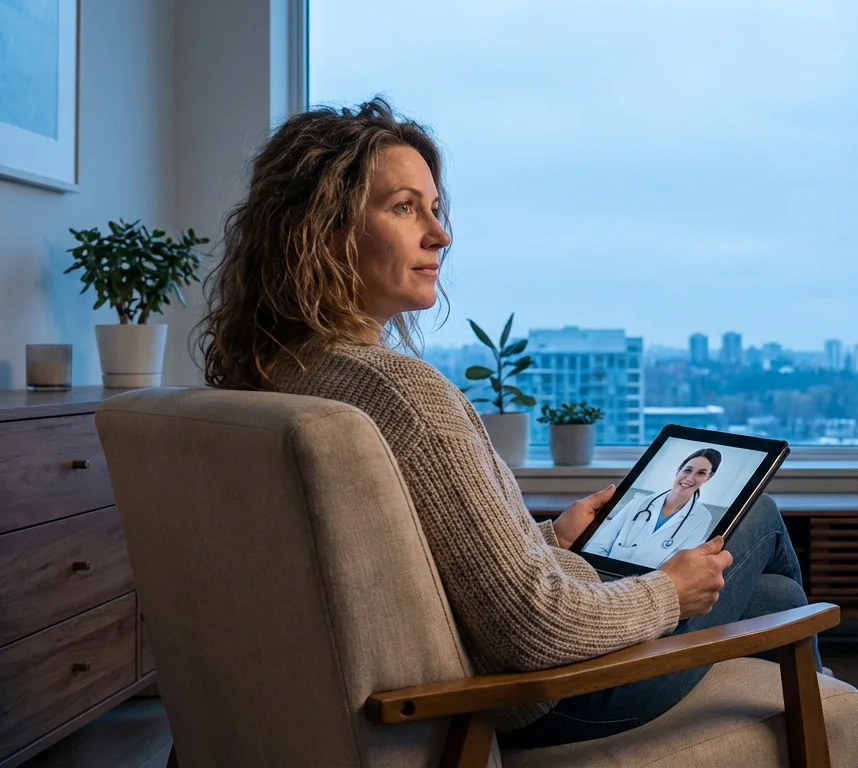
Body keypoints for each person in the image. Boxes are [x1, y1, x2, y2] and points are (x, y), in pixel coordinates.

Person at [193, 97, 823, 748]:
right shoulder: (404, 397)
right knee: (756, 514)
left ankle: (818, 712)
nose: (439, 235)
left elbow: (407, 575)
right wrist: (668, 591)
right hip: (540, 696)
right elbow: (532, 629)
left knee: (775, 599)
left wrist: (551, 540)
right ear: (322, 230)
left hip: (449, 673)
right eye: (405, 207)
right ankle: (822, 722)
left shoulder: (281, 376)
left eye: (435, 209)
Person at [583, 449, 720, 567]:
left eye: (701, 473)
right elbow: (597, 547)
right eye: (687, 470)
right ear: (678, 470)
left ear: (708, 477)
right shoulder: (637, 504)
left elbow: (679, 566)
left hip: (650, 585)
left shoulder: (702, 518)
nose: (690, 478)